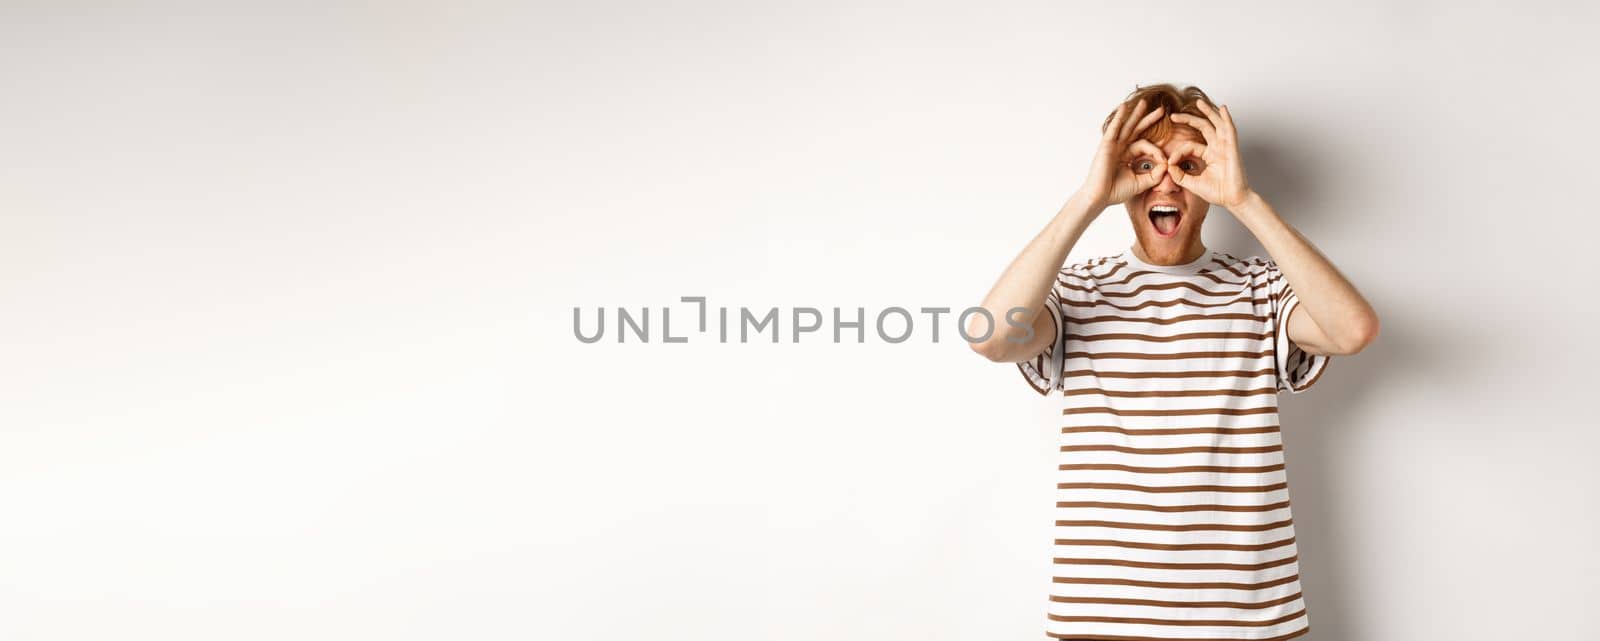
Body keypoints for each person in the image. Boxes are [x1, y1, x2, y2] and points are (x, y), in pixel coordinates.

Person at [967, 84, 1380, 641]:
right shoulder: (1080, 290)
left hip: (1246, 618)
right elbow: (990, 336)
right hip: (1103, 615)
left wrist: (1245, 200)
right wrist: (1088, 198)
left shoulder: (1260, 289)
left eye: (1188, 165)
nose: (1165, 181)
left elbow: (1352, 330)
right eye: (1142, 163)